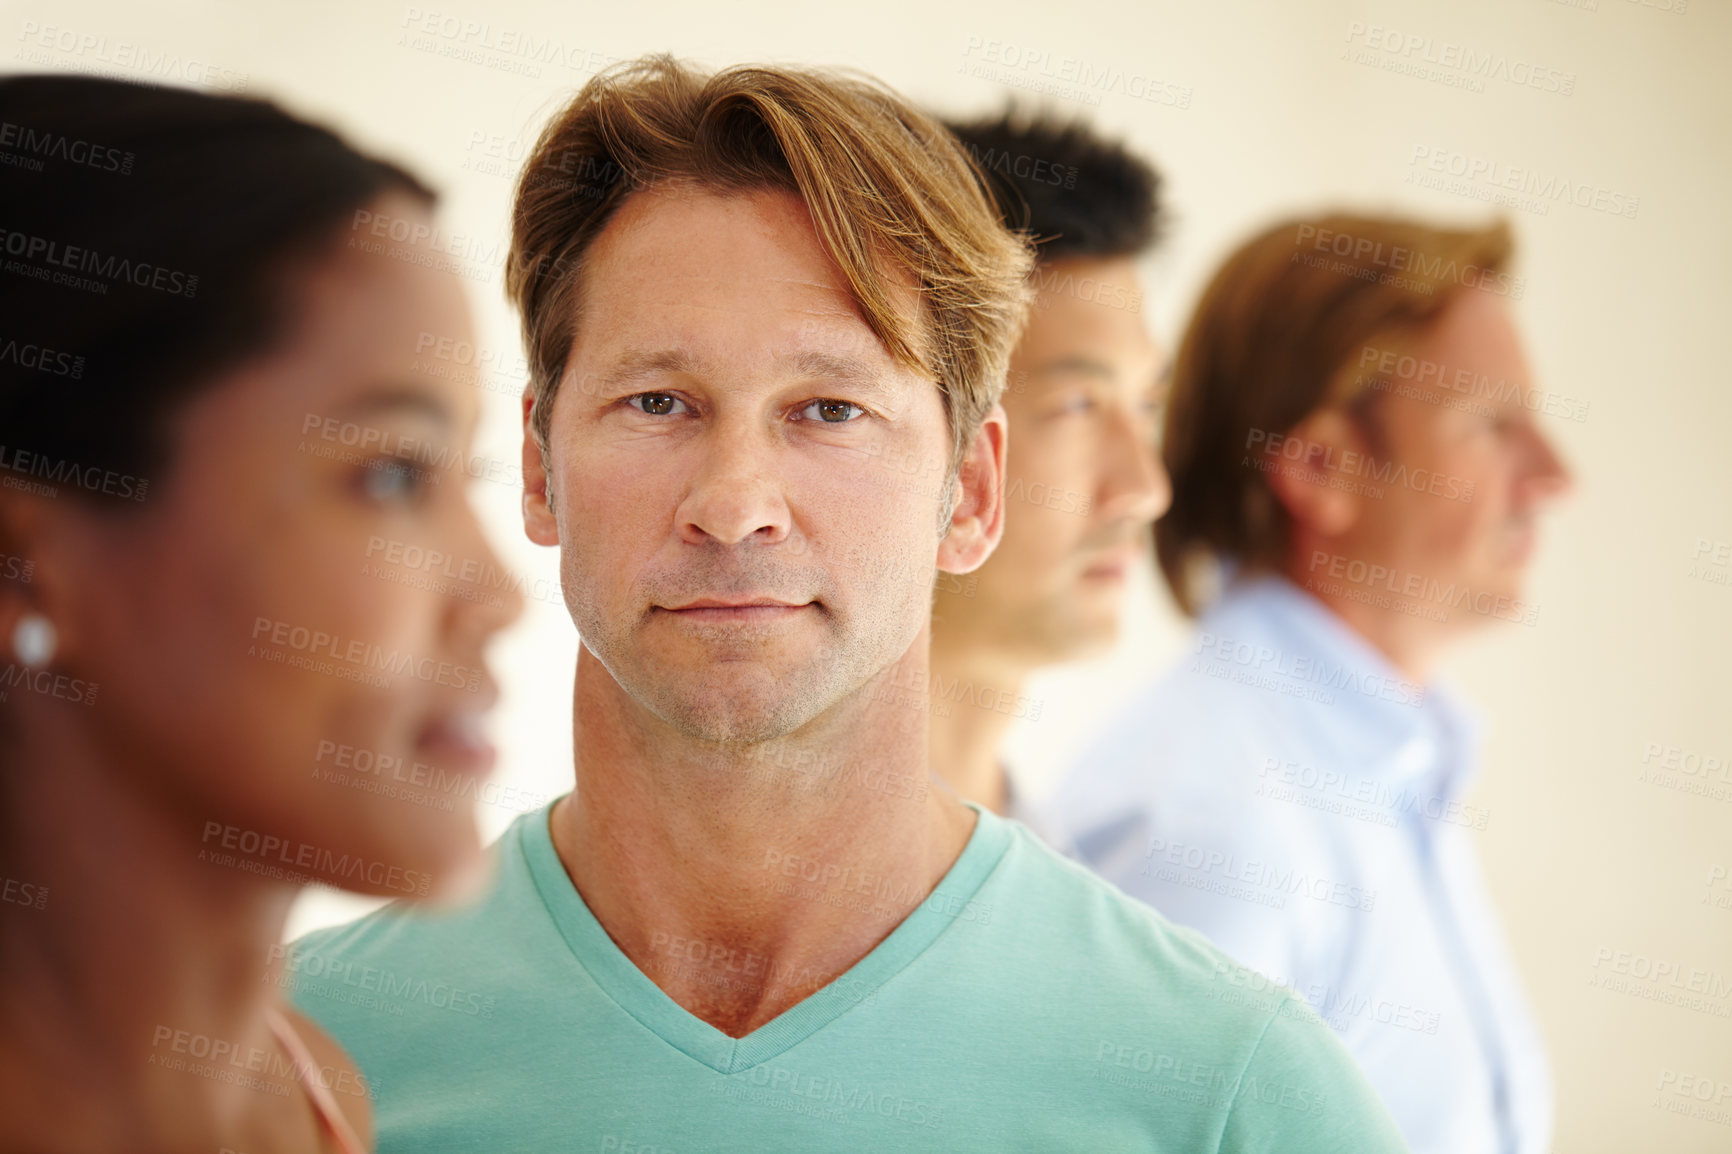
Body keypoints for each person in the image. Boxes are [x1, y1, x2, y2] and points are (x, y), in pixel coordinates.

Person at [289, 56, 1410, 1153]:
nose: (733, 506)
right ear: (539, 467)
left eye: (828, 409)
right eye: (657, 400)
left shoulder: (1229, 1092)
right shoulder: (298, 1073)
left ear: (970, 491)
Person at [0, 76, 521, 1152]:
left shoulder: (320, 1094)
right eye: (389, 476)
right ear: (22, 567)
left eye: (461, 473)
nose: (500, 596)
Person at [1047, 214, 1568, 1154]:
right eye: (1492, 424)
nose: (1554, 478)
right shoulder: (1214, 825)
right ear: (1322, 467)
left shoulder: (1394, 766)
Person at [926, 111, 1171, 833]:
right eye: (1077, 404)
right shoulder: (769, 880)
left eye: (1147, 403)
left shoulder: (1065, 879)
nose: (1147, 490)